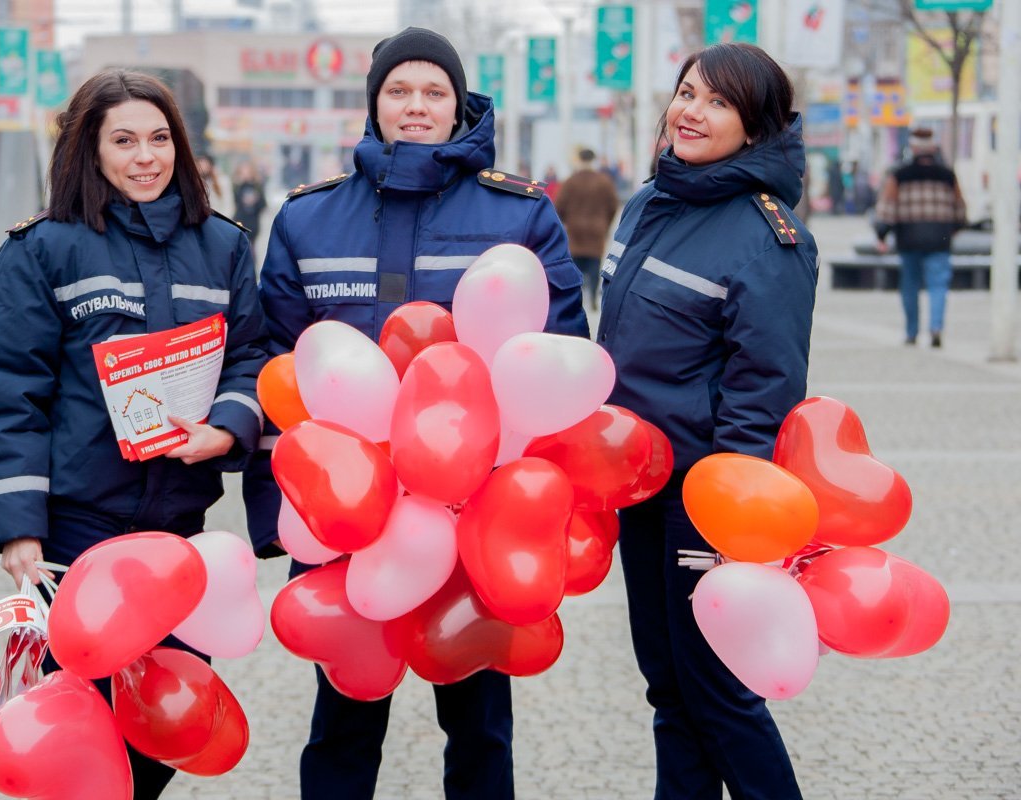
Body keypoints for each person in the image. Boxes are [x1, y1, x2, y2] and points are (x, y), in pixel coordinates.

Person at [244, 26, 588, 800]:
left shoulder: (521, 217)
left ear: (459, 105)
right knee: (343, 718)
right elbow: (277, 370)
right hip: (349, 516)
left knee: (479, 723)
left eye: (434, 91)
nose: (415, 106)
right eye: (398, 90)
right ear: (373, 103)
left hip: (477, 519)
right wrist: (276, 513)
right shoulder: (307, 220)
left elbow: (562, 351)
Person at [0, 69, 268, 799]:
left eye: (160, 138)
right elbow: (9, 393)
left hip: (177, 534)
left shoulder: (222, 247)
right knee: (80, 727)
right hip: (77, 531)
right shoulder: (42, 250)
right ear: (89, 150)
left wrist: (225, 428)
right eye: (124, 140)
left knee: (160, 722)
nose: (146, 156)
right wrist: (17, 530)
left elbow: (253, 358)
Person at [596, 43, 817, 799]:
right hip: (640, 488)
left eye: (718, 102)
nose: (691, 111)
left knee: (720, 693)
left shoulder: (768, 237)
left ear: (753, 130)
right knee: (668, 688)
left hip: (707, 498)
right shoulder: (650, 203)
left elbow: (768, 388)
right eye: (687, 93)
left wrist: (737, 531)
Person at [874, 127, 966, 347]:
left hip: (909, 238)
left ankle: (912, 332)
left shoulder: (899, 175)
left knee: (910, 286)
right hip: (939, 239)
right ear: (934, 147)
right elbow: (960, 209)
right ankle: (935, 328)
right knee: (938, 286)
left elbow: (886, 208)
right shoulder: (947, 175)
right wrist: (953, 228)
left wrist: (882, 234)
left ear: (913, 148)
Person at [554, 148, 620, 310]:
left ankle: (577, 297)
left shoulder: (570, 181)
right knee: (594, 264)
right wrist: (605, 224)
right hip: (597, 230)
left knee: (576, 265)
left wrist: (566, 222)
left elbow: (558, 206)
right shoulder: (604, 181)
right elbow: (613, 205)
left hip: (575, 229)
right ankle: (593, 300)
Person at [231, 160, 267, 251]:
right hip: (239, 221)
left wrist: (255, 200)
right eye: (243, 172)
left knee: (251, 250)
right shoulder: (237, 186)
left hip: (253, 223)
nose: (245, 174)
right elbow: (233, 202)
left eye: (248, 172)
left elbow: (263, 205)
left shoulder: (257, 186)